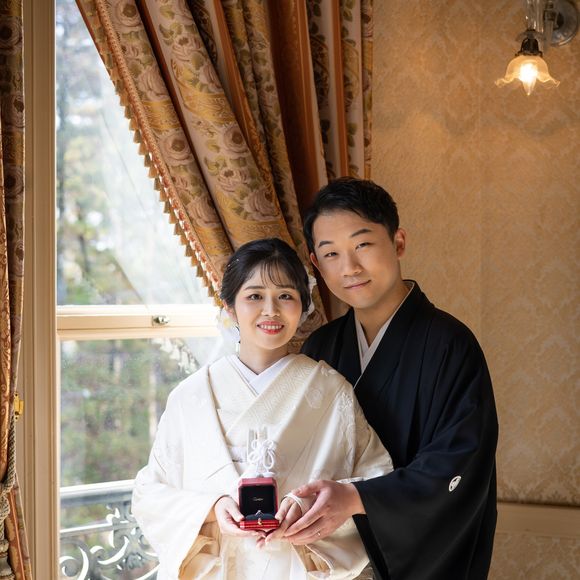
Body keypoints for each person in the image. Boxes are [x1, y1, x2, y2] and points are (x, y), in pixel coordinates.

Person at [132, 237, 393, 579]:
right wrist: (211, 508)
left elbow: (377, 482)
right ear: (229, 306)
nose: (271, 310)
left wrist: (314, 507)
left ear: (303, 307)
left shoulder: (331, 391)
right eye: (254, 296)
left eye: (285, 296)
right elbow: (150, 494)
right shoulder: (190, 397)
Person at [284, 177, 498, 580]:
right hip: (330, 561)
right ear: (315, 263)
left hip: (420, 563)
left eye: (363, 244)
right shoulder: (320, 348)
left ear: (398, 242)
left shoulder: (450, 345)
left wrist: (356, 498)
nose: (349, 268)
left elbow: (457, 464)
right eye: (331, 253)